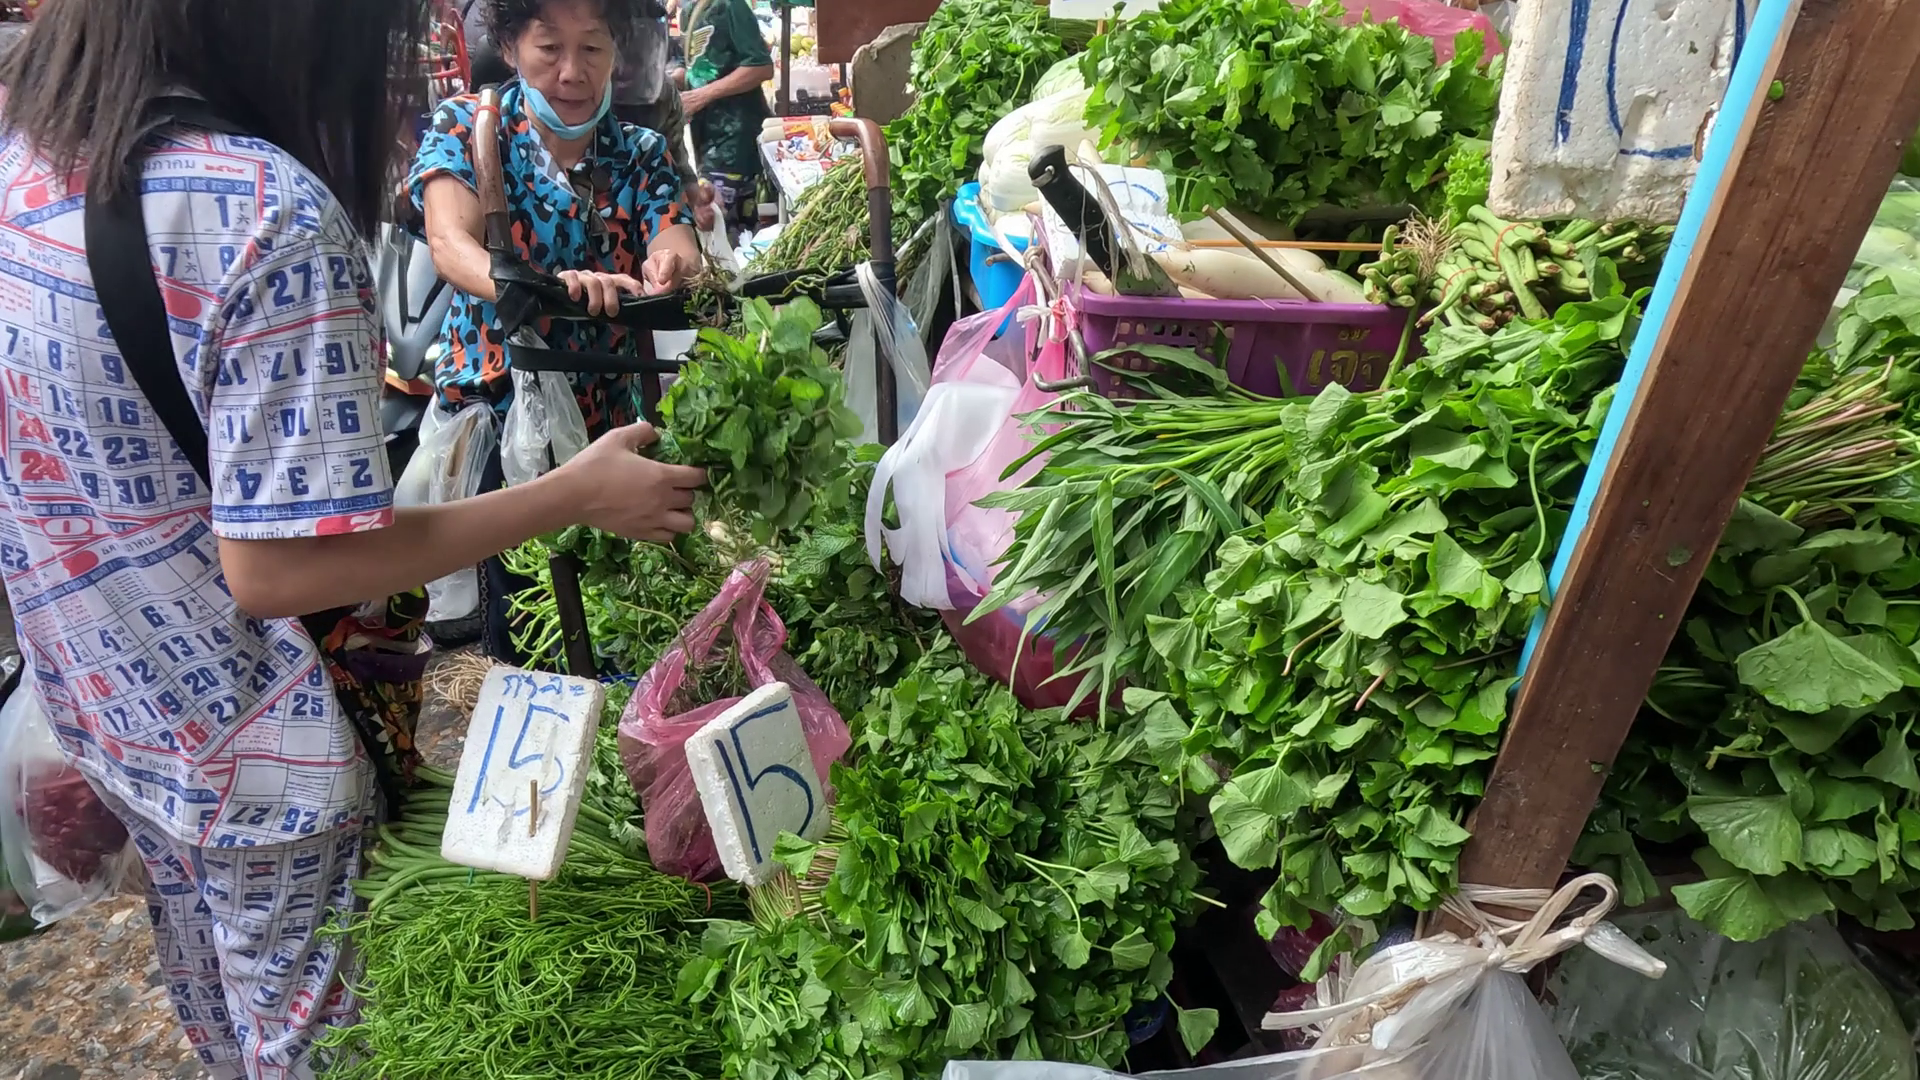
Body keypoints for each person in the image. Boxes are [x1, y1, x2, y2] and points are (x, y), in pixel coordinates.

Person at [0, 1, 706, 1077]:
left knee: (223, 1011)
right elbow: (284, 565)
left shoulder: (28, 158)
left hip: (113, 708)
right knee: (316, 1047)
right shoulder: (261, 210)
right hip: (259, 759)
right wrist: (568, 496)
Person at [415, 0, 704, 664]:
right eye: (550, 49)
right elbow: (451, 243)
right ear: (510, 47)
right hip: (502, 417)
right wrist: (541, 287)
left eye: (593, 49)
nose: (573, 71)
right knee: (522, 617)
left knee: (613, 616)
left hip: (609, 421)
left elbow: (675, 238)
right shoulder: (471, 128)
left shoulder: (639, 153)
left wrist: (669, 267)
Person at [673, 0, 774, 241]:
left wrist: (702, 96)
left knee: (730, 235)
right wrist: (667, 81)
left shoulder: (730, 6)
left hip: (735, 143)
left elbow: (761, 66)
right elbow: (696, 67)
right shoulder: (688, 11)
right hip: (704, 141)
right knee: (714, 231)